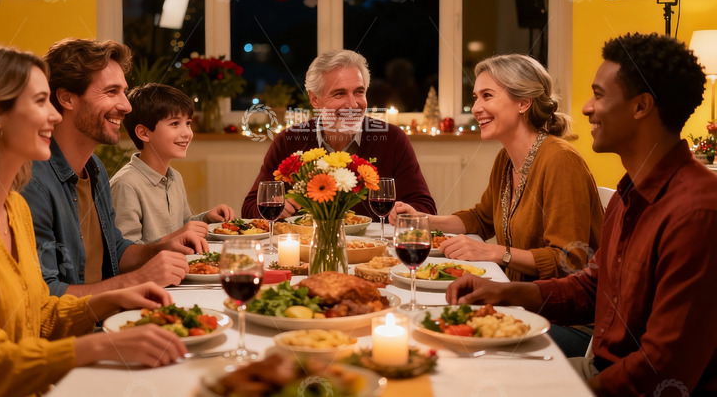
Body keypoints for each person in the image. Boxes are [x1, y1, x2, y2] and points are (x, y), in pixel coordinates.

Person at [446, 33, 717, 396]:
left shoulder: (697, 211)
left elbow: (663, 366)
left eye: (599, 95)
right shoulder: (628, 193)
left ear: (641, 107)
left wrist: (572, 390)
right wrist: (500, 292)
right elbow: (590, 287)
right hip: (602, 368)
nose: (586, 107)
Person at [0, 47, 186, 396]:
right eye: (41, 101)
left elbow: (38, 314)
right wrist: (102, 346)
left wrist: (119, 296)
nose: (55, 117)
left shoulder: (13, 207)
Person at [22, 38, 208, 297]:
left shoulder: (94, 168)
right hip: (87, 330)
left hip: (112, 314)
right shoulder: (32, 183)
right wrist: (139, 280)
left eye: (123, 91)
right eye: (111, 92)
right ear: (67, 98)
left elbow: (116, 250)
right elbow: (45, 294)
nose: (126, 106)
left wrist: (164, 246)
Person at [395, 54, 603, 282]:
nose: (475, 108)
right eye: (475, 97)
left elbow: (568, 261)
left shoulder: (560, 161)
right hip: (517, 291)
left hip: (555, 308)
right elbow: (481, 219)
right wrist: (422, 220)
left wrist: (493, 252)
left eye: (487, 96)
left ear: (523, 102)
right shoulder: (506, 159)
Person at [241, 50, 436, 218]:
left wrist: (407, 211)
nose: (353, 104)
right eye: (339, 94)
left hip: (371, 255)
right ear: (315, 99)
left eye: (359, 92)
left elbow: (426, 207)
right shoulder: (288, 140)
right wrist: (275, 206)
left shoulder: (392, 139)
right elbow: (249, 207)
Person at [111, 83, 235, 244]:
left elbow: (181, 227)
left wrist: (206, 218)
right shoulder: (126, 185)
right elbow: (125, 253)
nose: (187, 133)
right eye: (175, 124)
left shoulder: (175, 177)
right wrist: (179, 236)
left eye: (188, 123)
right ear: (144, 133)